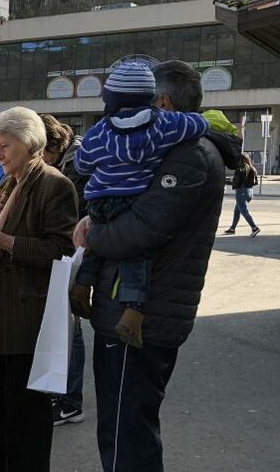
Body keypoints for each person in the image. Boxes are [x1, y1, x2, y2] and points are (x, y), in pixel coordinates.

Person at [73, 60, 241, 471]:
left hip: (142, 317)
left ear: (162, 103)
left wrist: (90, 233)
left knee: (126, 433)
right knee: (127, 425)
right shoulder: (177, 150)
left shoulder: (191, 156)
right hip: (139, 311)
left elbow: (142, 229)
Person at [70, 62, 209, 350]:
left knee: (94, 249)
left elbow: (81, 164)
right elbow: (199, 124)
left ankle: (82, 286)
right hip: (132, 199)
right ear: (153, 98)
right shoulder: (166, 124)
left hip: (99, 201)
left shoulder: (99, 132)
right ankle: (133, 310)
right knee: (138, 258)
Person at [0, 107, 78, 471]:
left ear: (29, 142)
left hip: (26, 314)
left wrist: (5, 241)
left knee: (26, 412)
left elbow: (62, 250)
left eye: (4, 146)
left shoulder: (54, 185)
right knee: (0, 408)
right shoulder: (7, 181)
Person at [39, 114, 91, 427]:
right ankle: (63, 394)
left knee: (71, 328)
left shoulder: (78, 163)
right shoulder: (68, 158)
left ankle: (71, 401)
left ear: (54, 144)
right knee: (65, 326)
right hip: (70, 249)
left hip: (75, 252)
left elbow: (75, 215)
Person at [225, 153, 260, 237]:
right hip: (249, 192)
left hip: (241, 192)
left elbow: (236, 182)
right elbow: (254, 182)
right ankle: (232, 229)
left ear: (240, 160)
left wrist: (224, 181)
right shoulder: (252, 168)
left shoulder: (240, 169)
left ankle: (254, 228)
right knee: (237, 211)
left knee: (244, 212)